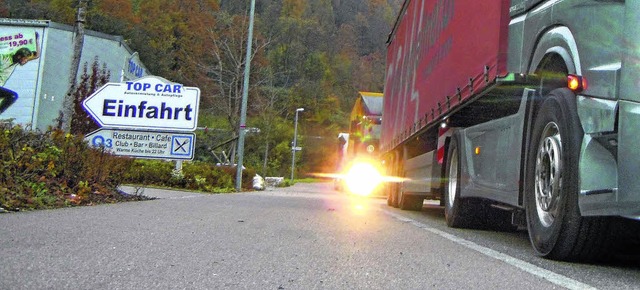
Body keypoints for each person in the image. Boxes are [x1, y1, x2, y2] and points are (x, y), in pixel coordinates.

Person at [0, 32, 40, 114]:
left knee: (12, 96)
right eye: (25, 59)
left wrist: (36, 40)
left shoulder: (16, 61)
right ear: (19, 56)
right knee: (12, 96)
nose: (26, 61)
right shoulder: (3, 59)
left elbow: (37, 55)